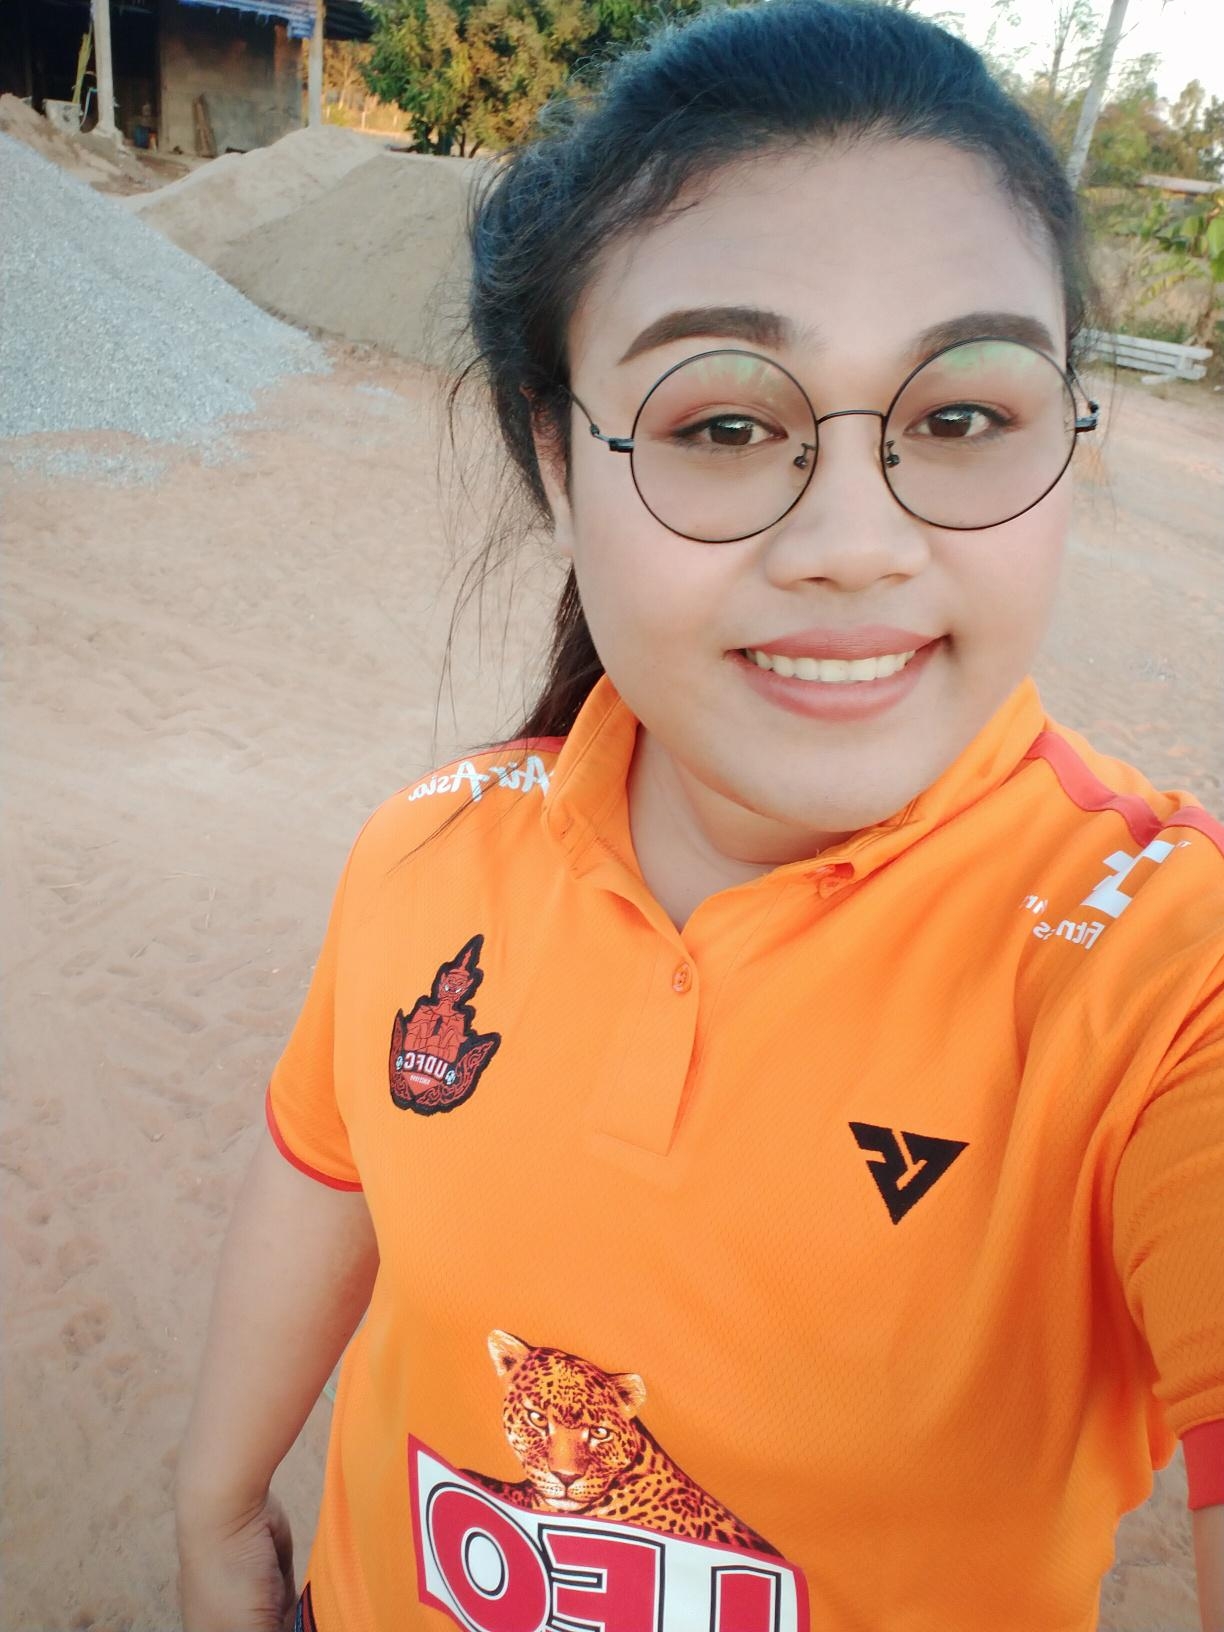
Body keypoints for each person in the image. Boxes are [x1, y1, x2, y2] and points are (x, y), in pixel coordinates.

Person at [174, 3, 1224, 1628]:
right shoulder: (432, 852)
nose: (856, 545)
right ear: (556, 456)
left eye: (960, 417)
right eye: (725, 426)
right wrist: (217, 1507)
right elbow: (330, 1171)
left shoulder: (1164, 978)